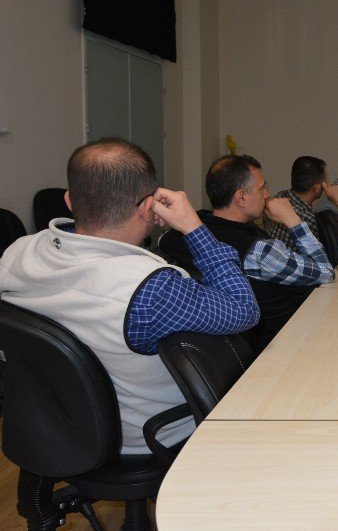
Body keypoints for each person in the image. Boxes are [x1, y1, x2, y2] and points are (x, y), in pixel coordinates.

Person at [0, 138, 260, 454]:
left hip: (53, 422)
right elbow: (244, 309)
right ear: (148, 208)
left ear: (69, 200)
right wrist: (194, 227)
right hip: (145, 436)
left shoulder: (17, 252)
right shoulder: (150, 288)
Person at [159, 154, 334, 354]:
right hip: (284, 344)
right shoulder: (259, 251)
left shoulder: (180, 231)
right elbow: (326, 271)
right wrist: (292, 219)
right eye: (261, 188)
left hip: (231, 349)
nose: (267, 194)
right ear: (241, 197)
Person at [261, 155, 338, 249]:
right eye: (324, 178)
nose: (327, 182)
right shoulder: (308, 219)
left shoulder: (278, 198)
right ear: (316, 188)